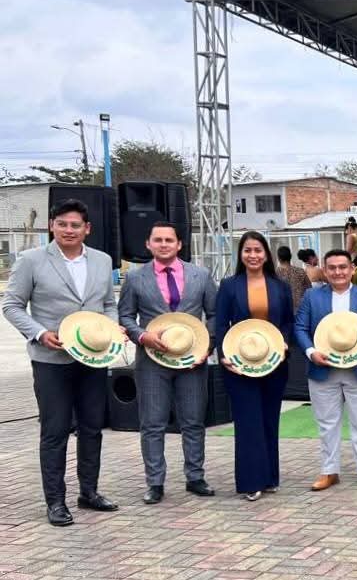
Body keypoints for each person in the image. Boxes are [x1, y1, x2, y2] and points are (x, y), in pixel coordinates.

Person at [2, 199, 122, 526]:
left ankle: (89, 492)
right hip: (51, 360)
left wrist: (111, 328)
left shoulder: (102, 260)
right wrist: (39, 333)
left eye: (75, 225)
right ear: (51, 226)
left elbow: (108, 303)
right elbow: (11, 306)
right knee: (55, 431)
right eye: (62, 224)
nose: (69, 230)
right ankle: (55, 501)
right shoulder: (31, 260)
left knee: (92, 428)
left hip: (93, 359)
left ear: (87, 228)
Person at [118, 222, 219, 505]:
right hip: (152, 362)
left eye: (169, 240)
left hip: (191, 361)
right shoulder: (135, 278)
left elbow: (214, 314)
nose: (164, 244)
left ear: (179, 244)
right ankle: (155, 483)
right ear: (148, 244)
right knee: (152, 423)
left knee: (193, 421)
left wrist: (207, 347)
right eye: (158, 240)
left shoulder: (201, 275)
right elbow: (125, 316)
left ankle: (195, 477)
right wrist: (142, 336)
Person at [294, 249, 357, 490]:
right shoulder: (311, 296)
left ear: (351, 269)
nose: (338, 272)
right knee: (327, 423)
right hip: (323, 368)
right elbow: (300, 327)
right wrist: (311, 352)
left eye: (342, 267)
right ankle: (329, 471)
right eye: (332, 268)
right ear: (324, 271)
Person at [215, 232, 295, 501]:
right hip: (239, 365)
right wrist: (222, 355)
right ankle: (251, 481)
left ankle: (270, 477)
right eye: (247, 250)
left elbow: (288, 321)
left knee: (269, 420)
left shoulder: (280, 286)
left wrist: (284, 342)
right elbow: (220, 324)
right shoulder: (229, 286)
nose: (253, 255)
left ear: (266, 254)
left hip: (273, 363)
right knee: (248, 423)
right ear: (240, 254)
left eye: (258, 250)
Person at [276, 245, 311, 310]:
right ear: (290, 256)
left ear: (278, 258)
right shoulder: (300, 271)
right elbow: (309, 288)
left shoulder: (274, 274)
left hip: (282, 310)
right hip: (300, 309)